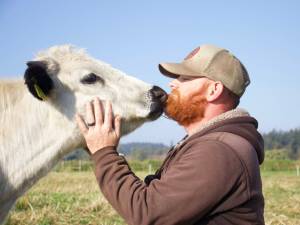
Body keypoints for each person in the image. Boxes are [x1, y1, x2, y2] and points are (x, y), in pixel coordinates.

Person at [76, 44, 265, 225]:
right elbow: (156, 198)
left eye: (185, 78)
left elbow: (147, 212)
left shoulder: (219, 150)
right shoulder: (211, 143)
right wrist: (101, 150)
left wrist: (104, 153)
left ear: (213, 90)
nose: (172, 83)